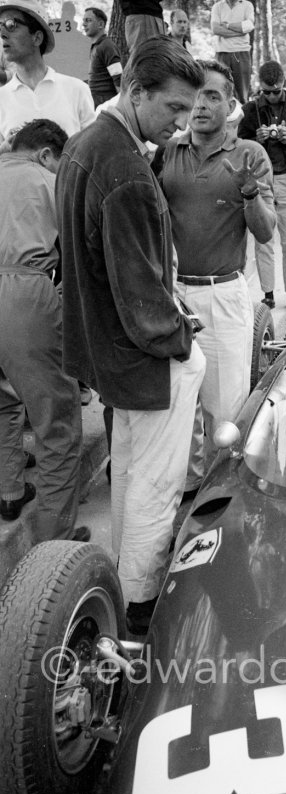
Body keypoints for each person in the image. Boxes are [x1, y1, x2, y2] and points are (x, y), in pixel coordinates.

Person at [56, 36, 207, 635]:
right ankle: (140, 607)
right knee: (153, 485)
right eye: (172, 108)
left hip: (111, 351)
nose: (181, 122)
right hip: (142, 359)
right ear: (134, 91)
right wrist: (182, 339)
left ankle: (123, 584)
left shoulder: (88, 145)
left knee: (132, 477)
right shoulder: (124, 168)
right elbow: (142, 300)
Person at [159, 59, 275, 490]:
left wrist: (248, 191)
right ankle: (187, 496)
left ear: (231, 104)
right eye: (195, 96)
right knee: (178, 410)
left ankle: (221, 497)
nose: (201, 105)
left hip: (223, 297)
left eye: (212, 96)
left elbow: (265, 232)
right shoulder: (166, 151)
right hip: (171, 298)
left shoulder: (250, 155)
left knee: (224, 411)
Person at [0, 119, 88, 543]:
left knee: (2, 402)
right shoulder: (47, 180)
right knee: (57, 422)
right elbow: (74, 257)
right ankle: (54, 545)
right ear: (47, 154)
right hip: (22, 294)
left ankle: (9, 491)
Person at [239, 59, 286, 312]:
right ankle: (268, 294)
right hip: (262, 182)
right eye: (266, 92)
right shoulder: (250, 110)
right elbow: (240, 145)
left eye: (276, 91)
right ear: (260, 88)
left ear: (284, 85)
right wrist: (255, 140)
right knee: (263, 241)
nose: (271, 96)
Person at [0, 0, 94, 150]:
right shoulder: (1, 99)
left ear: (37, 38)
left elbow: (94, 152)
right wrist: (3, 151)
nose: (3, 34)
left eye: (11, 25)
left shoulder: (77, 90)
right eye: (0, 26)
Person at [210, 0, 254, 105]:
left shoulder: (247, 5)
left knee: (242, 96)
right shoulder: (217, 6)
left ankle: (242, 120)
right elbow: (216, 29)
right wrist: (239, 32)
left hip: (241, 53)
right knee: (220, 93)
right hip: (222, 53)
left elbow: (249, 26)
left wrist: (228, 25)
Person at [82, 6, 122, 108]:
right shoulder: (96, 46)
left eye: (88, 20)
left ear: (100, 24)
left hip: (106, 107)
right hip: (95, 104)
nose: (84, 24)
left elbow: (118, 79)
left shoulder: (107, 46)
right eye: (83, 21)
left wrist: (120, 108)